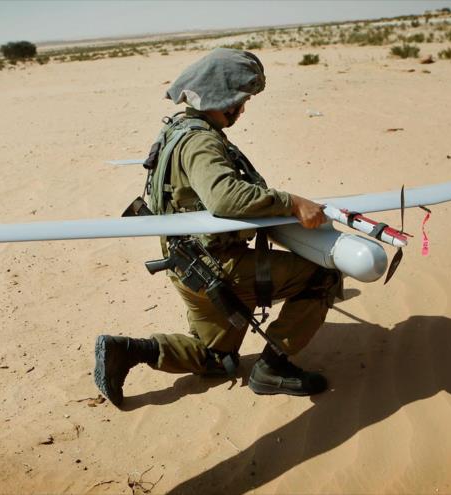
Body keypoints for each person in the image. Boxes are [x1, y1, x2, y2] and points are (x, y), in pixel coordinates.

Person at [94, 48, 341, 408]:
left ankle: (128, 351)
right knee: (323, 276)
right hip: (220, 267)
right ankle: (272, 368)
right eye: (239, 100)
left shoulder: (178, 128)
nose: (241, 109)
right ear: (219, 97)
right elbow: (224, 197)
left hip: (189, 266)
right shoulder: (201, 140)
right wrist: (291, 202)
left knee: (217, 360)